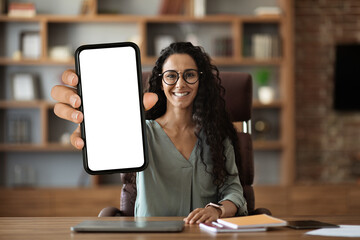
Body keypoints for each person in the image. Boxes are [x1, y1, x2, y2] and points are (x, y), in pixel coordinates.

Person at [51, 42, 248, 224]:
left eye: (189, 74)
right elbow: (106, 147)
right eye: (171, 75)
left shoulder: (217, 137)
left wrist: (217, 210)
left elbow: (233, 190)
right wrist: (94, 128)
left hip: (202, 234)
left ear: (200, 80)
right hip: (150, 233)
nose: (180, 84)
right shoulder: (139, 131)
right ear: (161, 82)